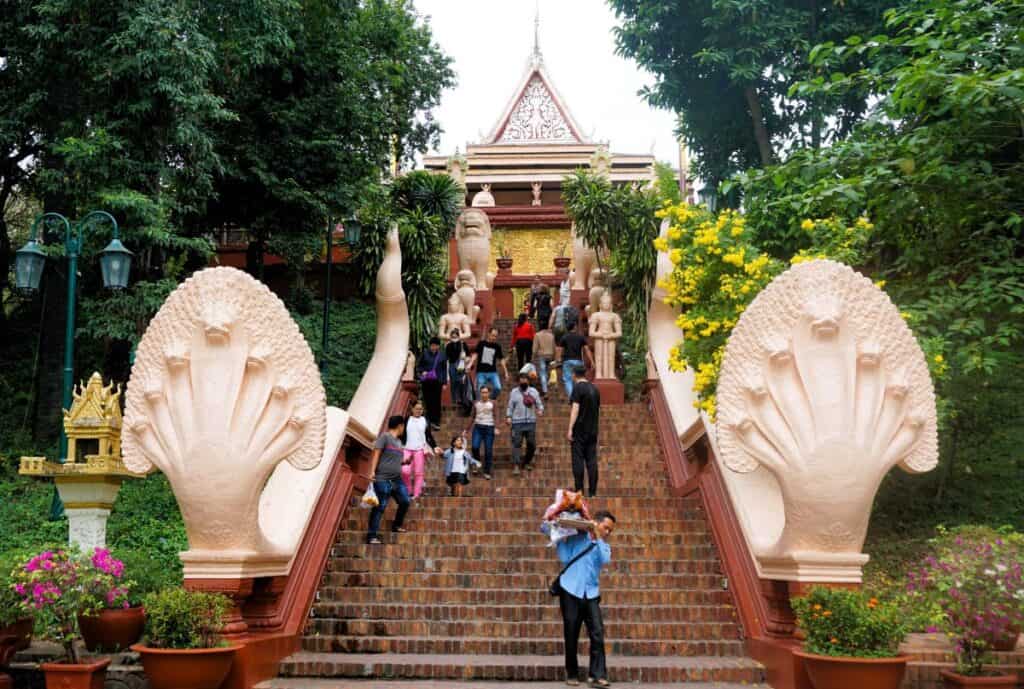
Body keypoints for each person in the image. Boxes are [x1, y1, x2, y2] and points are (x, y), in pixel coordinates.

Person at [555, 511, 616, 687]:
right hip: (570, 590)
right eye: (606, 528)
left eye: (610, 530)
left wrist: (598, 539)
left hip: (591, 594)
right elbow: (565, 557)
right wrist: (559, 535)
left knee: (597, 633)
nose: (608, 532)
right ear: (595, 523)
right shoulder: (577, 538)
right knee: (571, 633)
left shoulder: (603, 545)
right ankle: (572, 673)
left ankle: (597, 675)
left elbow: (605, 559)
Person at [366, 415, 411, 545]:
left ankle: (396, 525)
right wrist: (372, 471)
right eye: (403, 426)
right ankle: (372, 536)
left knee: (405, 501)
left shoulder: (399, 442)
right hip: (382, 478)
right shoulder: (384, 437)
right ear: (400, 425)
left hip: (397, 479)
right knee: (380, 506)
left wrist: (404, 462)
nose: (404, 429)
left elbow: (393, 459)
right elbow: (376, 453)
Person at [567, 366, 601, 497]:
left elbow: (575, 409)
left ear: (574, 375)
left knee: (578, 460)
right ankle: (592, 492)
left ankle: (579, 490)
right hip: (592, 429)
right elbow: (598, 411)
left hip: (579, 430)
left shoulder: (578, 388)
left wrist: (570, 428)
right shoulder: (595, 388)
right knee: (592, 461)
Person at [401, 401, 442, 501]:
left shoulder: (424, 420)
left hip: (419, 449)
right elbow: (401, 434)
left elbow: (429, 435)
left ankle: (416, 494)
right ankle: (409, 490)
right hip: (407, 448)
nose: (419, 411)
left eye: (421, 409)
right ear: (412, 409)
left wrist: (434, 446)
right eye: (417, 409)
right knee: (405, 471)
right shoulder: (407, 420)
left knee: (418, 473)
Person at [507, 372, 544, 475]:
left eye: (525, 379)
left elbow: (539, 405)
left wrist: (540, 410)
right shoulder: (514, 392)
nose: (523, 381)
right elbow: (510, 406)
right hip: (517, 423)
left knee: (532, 444)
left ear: (528, 380)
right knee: (516, 444)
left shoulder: (534, 392)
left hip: (530, 422)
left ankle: (527, 461)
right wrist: (508, 416)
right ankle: (516, 465)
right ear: (518, 381)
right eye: (521, 379)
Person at [467, 385, 498, 479]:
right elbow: (472, 417)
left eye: (486, 392)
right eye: (482, 392)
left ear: (489, 393)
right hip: (478, 427)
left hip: (489, 428)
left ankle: (487, 471)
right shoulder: (476, 403)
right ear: (480, 393)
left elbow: (496, 416)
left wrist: (496, 427)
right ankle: (476, 464)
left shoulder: (493, 403)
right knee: (475, 447)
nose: (484, 394)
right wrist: (466, 429)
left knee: (488, 450)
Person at [416, 337, 446, 431]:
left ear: (438, 346)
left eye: (435, 345)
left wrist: (444, 382)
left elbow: (444, 369)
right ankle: (428, 421)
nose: (433, 347)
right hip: (427, 382)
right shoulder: (424, 354)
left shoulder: (441, 355)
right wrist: (423, 371)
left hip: (437, 382)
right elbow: (418, 366)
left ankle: (436, 421)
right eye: (432, 345)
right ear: (430, 345)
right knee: (428, 401)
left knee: (436, 401)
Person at [471, 327, 509, 398]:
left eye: (495, 336)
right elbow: (475, 354)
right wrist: (470, 363)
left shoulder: (497, 346)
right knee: (479, 390)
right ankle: (479, 404)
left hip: (492, 372)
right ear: (488, 334)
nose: (494, 337)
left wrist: (506, 372)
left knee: (498, 388)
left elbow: (501, 360)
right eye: (492, 335)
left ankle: (490, 399)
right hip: (481, 372)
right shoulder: (481, 343)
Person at [557, 322, 592, 397]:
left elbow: (559, 350)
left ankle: (572, 398)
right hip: (578, 361)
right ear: (575, 327)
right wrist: (592, 361)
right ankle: (580, 397)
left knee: (568, 380)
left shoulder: (564, 337)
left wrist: (558, 359)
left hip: (567, 361)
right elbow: (587, 349)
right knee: (579, 379)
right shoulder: (581, 337)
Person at [445, 328, 473, 416]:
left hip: (461, 365)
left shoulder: (463, 344)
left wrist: (466, 360)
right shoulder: (448, 346)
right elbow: (447, 358)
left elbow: (469, 355)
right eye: (452, 336)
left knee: (462, 383)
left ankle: (464, 401)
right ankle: (457, 400)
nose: (454, 337)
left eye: (455, 336)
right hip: (452, 366)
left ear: (458, 336)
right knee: (454, 383)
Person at [534, 327, 556, 399]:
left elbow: (534, 349)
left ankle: (545, 391)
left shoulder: (537, 335)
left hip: (542, 355)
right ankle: (546, 385)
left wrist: (533, 355)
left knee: (542, 373)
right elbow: (554, 347)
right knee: (546, 372)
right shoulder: (551, 335)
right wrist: (554, 357)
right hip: (550, 354)